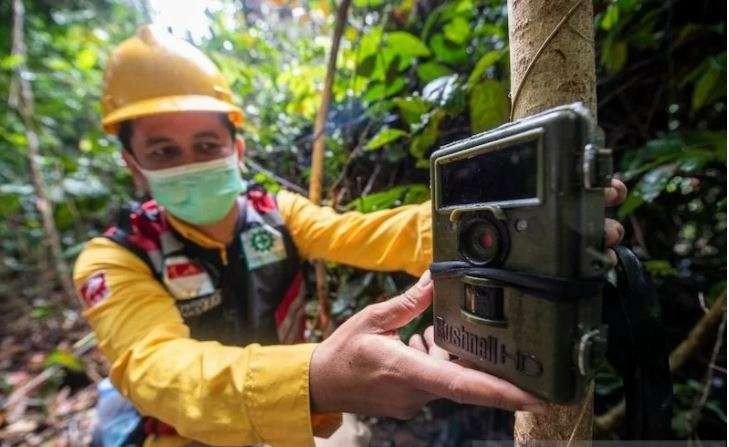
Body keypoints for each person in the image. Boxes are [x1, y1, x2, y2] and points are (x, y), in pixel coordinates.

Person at [74, 25, 627, 447]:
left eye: (205, 144)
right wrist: (315, 379)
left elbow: (365, 234)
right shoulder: (114, 259)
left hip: (288, 430)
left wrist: (508, 227)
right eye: (164, 151)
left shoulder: (275, 215)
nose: (190, 161)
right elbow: (158, 370)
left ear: (235, 149)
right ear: (134, 165)